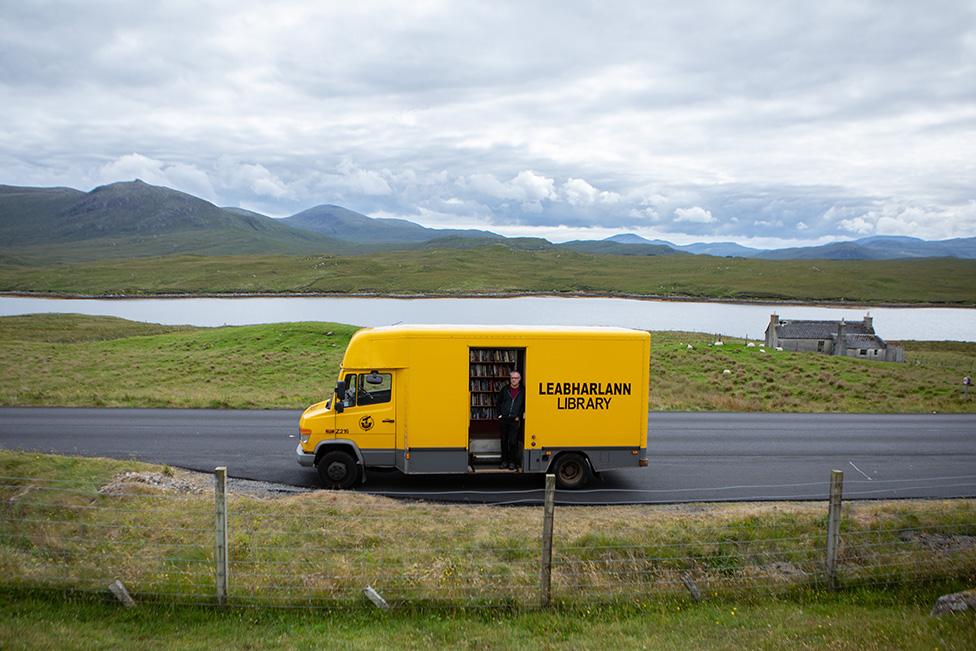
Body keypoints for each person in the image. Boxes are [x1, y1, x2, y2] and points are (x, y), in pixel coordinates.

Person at [496, 369, 525, 470]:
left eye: (516, 378)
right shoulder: (505, 389)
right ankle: (504, 461)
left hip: (515, 420)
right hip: (504, 419)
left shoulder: (523, 391)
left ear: (520, 379)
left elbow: (524, 405)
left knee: (513, 442)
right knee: (504, 441)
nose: (514, 380)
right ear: (510, 379)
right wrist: (499, 415)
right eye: (512, 378)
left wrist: (519, 415)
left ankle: (512, 462)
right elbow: (498, 402)